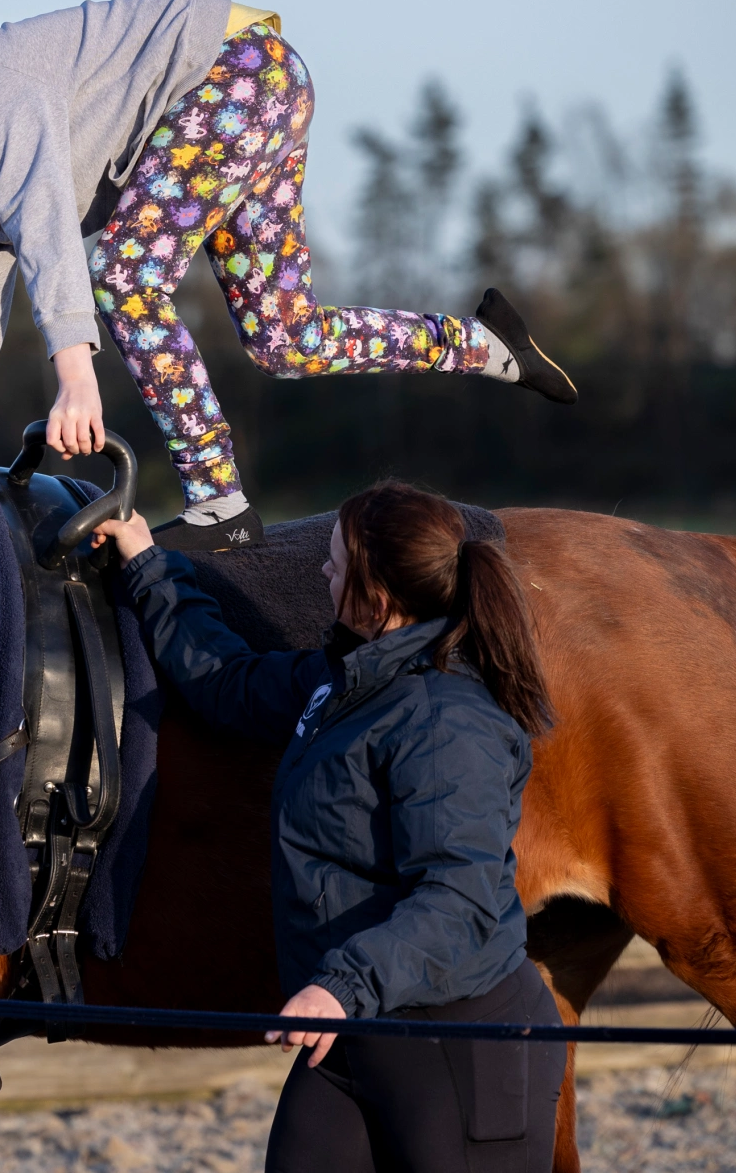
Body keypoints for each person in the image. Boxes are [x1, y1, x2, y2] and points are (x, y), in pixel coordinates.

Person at [0, 0, 576, 550]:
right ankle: (488, 344)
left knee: (124, 273)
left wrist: (75, 374)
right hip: (232, 101)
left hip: (236, 73)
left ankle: (220, 503)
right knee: (284, 337)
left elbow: (47, 221)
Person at [91, 481, 565, 1171]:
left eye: (335, 562)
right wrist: (146, 561)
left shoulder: (445, 723)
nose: (320, 569)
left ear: (376, 600)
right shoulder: (345, 682)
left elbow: (456, 901)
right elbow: (228, 682)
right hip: (354, 1033)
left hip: (454, 1041)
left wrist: (341, 987)